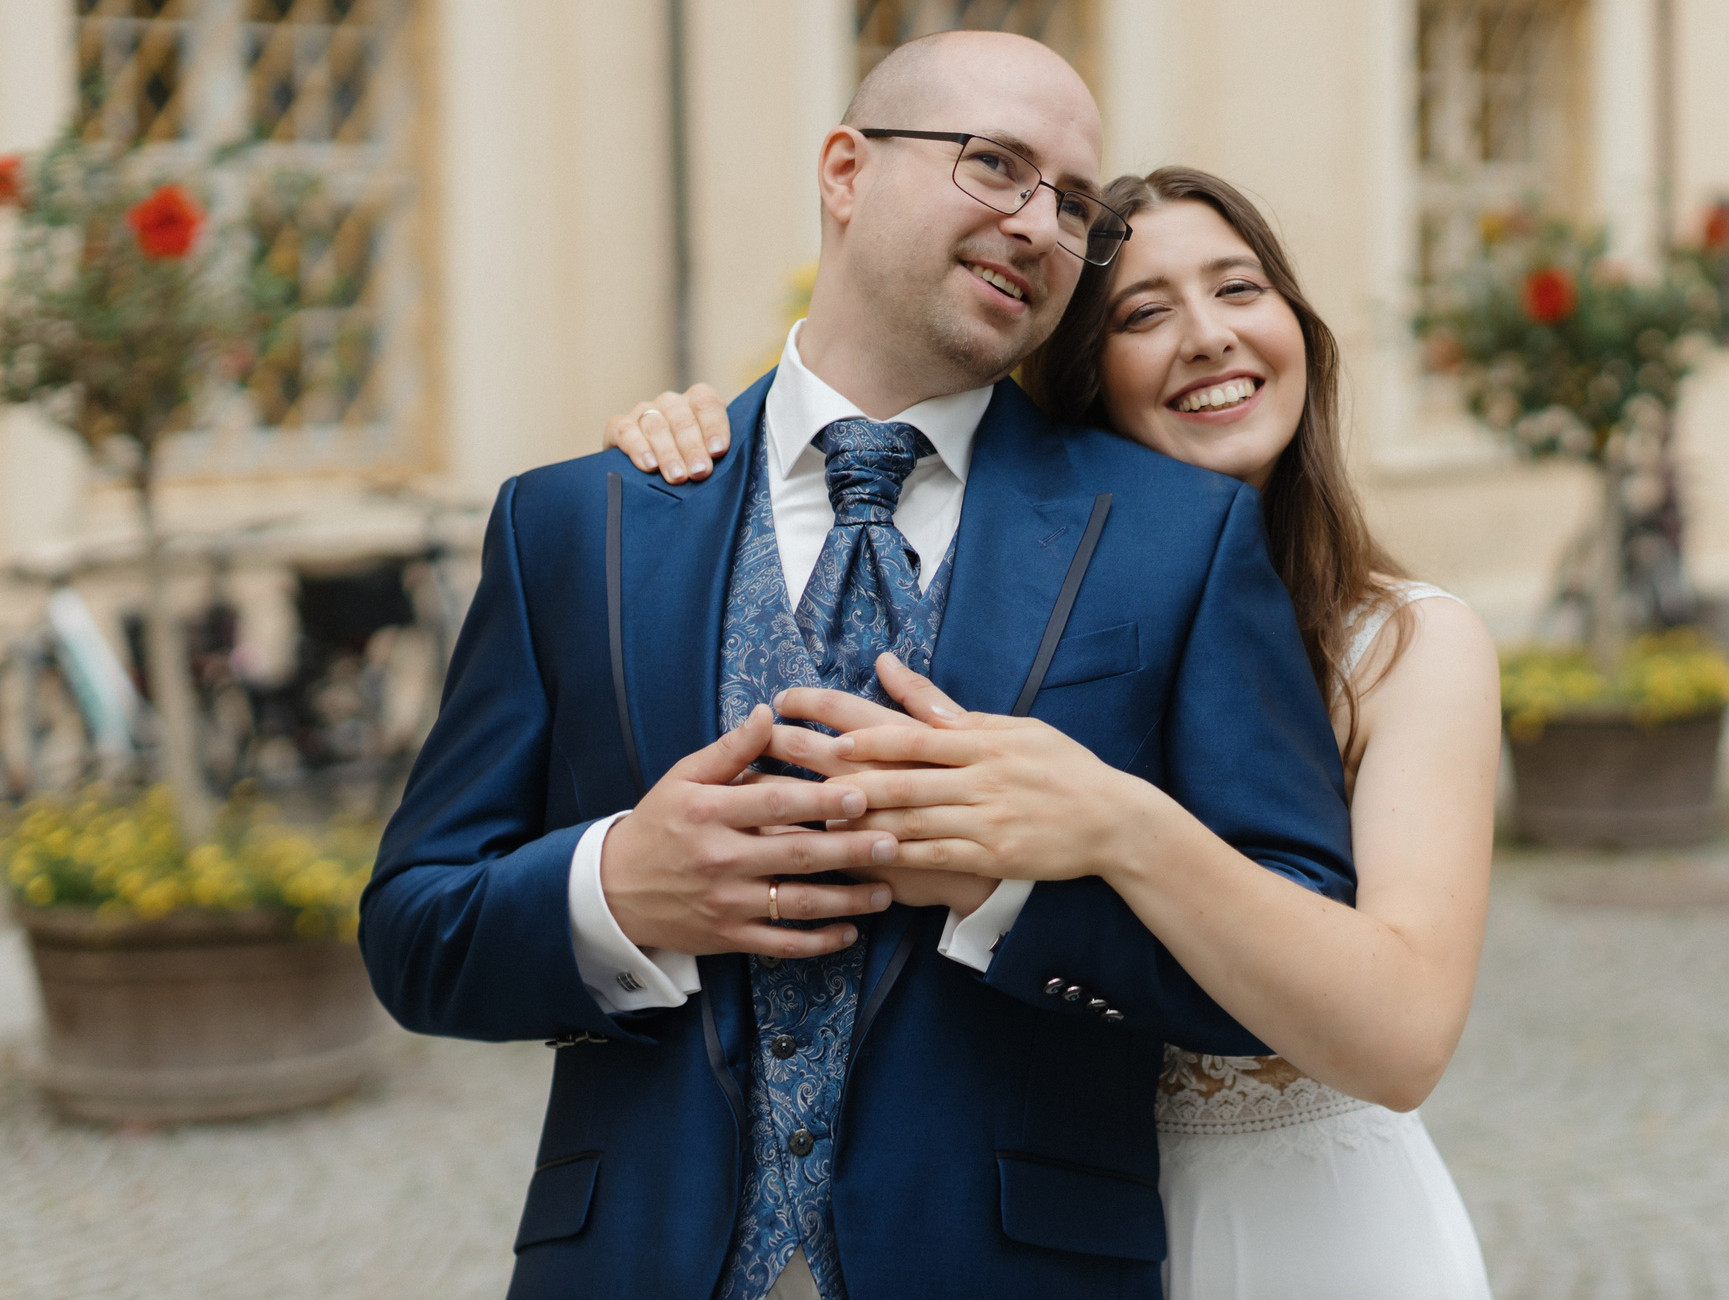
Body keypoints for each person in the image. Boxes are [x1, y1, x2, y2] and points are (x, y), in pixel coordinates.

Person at [360, 32, 1360, 1300]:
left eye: (1068, 203)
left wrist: (1012, 897)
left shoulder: (1177, 534)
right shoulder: (574, 523)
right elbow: (411, 933)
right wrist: (618, 887)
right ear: (844, 169)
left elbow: (1295, 940)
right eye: (994, 164)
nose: (1039, 224)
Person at [608, 167, 1502, 1299]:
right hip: (1036, 1237)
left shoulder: (1405, 645)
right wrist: (706, 445)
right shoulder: (981, 592)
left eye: (1239, 287)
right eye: (1142, 312)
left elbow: (1404, 1037)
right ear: (1075, 376)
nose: (1208, 336)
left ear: (1301, 330)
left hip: (1299, 1229)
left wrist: (1120, 821)